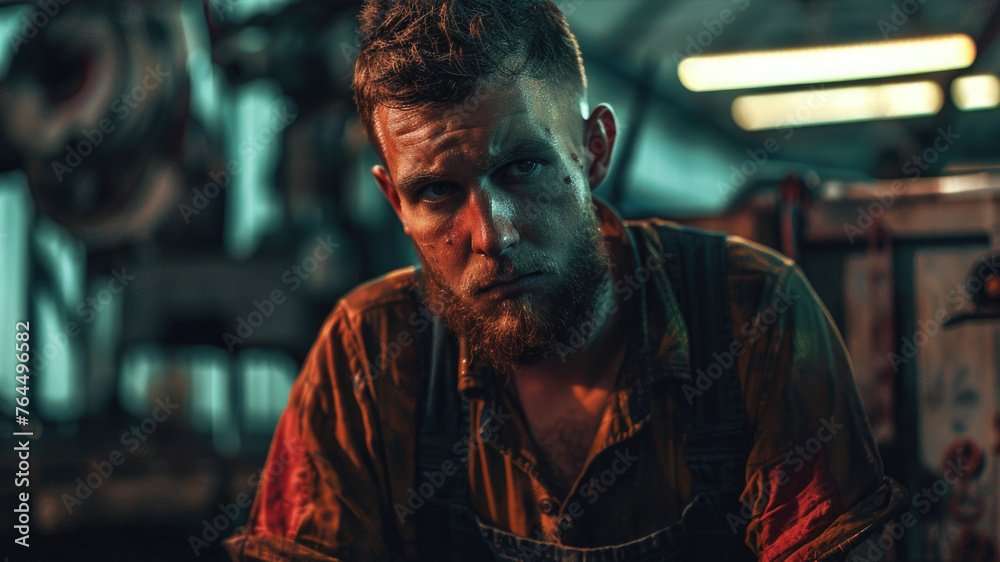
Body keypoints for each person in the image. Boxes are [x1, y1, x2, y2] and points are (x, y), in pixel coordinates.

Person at [225, 1, 907, 560]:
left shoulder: (752, 312)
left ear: (594, 149)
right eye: (437, 191)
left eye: (523, 167)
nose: (493, 236)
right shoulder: (366, 358)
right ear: (394, 204)